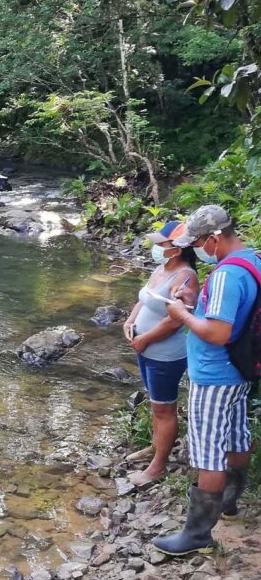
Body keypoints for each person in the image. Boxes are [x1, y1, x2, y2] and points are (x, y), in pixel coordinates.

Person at [153, 205, 261, 556]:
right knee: (235, 436)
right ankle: (229, 502)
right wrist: (197, 301)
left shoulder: (227, 274)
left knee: (208, 452)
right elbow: (234, 312)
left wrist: (182, 313)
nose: (195, 247)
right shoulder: (252, 261)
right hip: (239, 370)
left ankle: (197, 534)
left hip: (215, 374)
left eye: (197, 241)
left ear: (214, 238)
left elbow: (217, 332)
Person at [122, 221, 199, 486]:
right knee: (157, 406)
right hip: (146, 348)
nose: (156, 247)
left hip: (165, 354)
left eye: (162, 244)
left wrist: (145, 339)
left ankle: (158, 467)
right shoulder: (161, 268)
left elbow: (176, 320)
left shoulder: (186, 277)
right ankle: (156, 449)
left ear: (177, 249)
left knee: (164, 409)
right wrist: (130, 321)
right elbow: (144, 299)